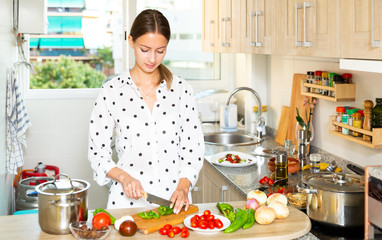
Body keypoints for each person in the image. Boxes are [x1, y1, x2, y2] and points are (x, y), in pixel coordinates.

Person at [88, 9, 204, 214]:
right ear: (131, 41)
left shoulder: (181, 90)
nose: (152, 58)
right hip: (125, 205)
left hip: (175, 204)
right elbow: (98, 154)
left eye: (160, 51)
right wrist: (124, 177)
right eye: (145, 49)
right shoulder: (112, 92)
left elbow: (192, 149)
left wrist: (184, 186)